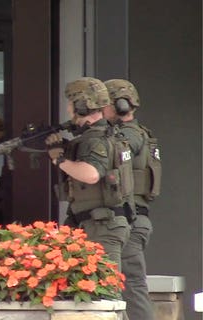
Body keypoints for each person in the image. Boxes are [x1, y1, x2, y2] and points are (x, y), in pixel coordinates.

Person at [45, 77, 133, 269]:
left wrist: (59, 159)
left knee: (106, 292)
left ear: (82, 106)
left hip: (102, 227)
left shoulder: (96, 139)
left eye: (71, 103)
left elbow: (91, 173)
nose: (69, 109)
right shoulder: (103, 134)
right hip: (95, 224)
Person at [104, 79, 160, 320]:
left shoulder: (130, 135)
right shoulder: (138, 133)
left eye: (104, 105)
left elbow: (116, 153)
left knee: (131, 287)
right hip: (133, 219)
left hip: (131, 219)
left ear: (121, 105)